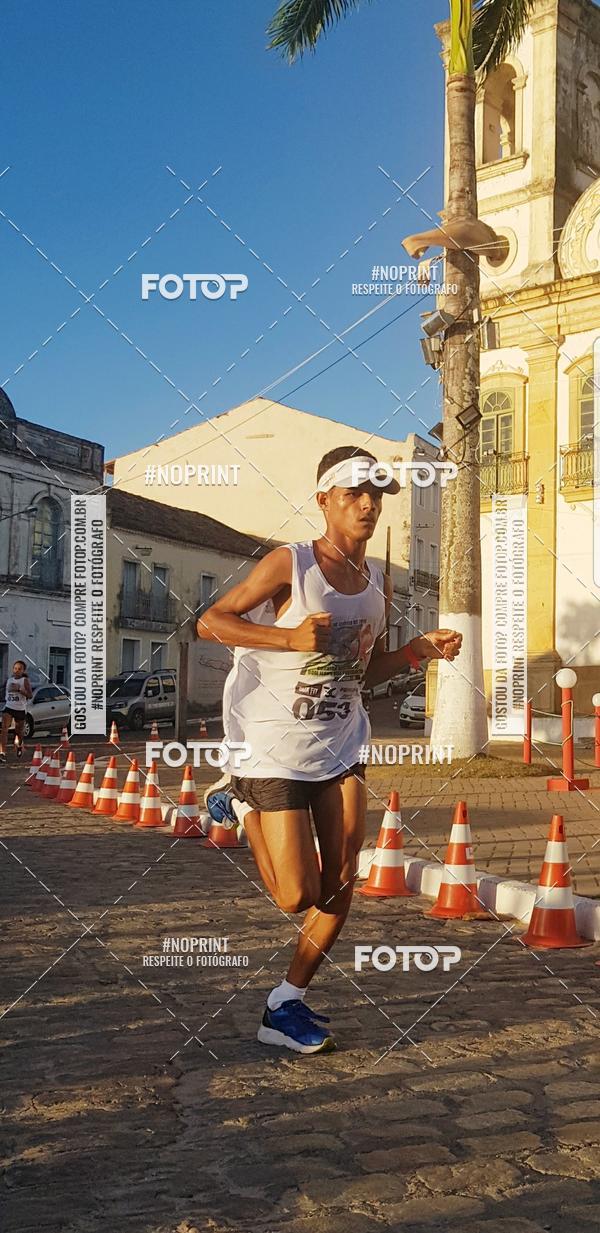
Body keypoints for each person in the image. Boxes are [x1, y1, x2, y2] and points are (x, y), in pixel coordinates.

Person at [196, 445, 462, 1054]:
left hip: (341, 742)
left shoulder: (377, 582)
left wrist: (417, 652)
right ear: (324, 500)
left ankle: (284, 1003)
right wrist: (286, 637)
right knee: (296, 895)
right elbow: (210, 622)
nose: (368, 505)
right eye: (353, 493)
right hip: (273, 746)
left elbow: (363, 671)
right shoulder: (290, 564)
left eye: (376, 494)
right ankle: (239, 799)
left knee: (341, 884)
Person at [0, 660, 33, 763]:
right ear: (13, 669)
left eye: (19, 669)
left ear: (23, 671)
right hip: (9, 707)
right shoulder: (9, 680)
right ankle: (2, 752)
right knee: (4, 729)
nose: (17, 671)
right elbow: (5, 693)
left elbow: (30, 695)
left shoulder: (24, 680)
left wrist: (19, 690)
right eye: (15, 668)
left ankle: (19, 745)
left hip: (20, 709)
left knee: (19, 731)